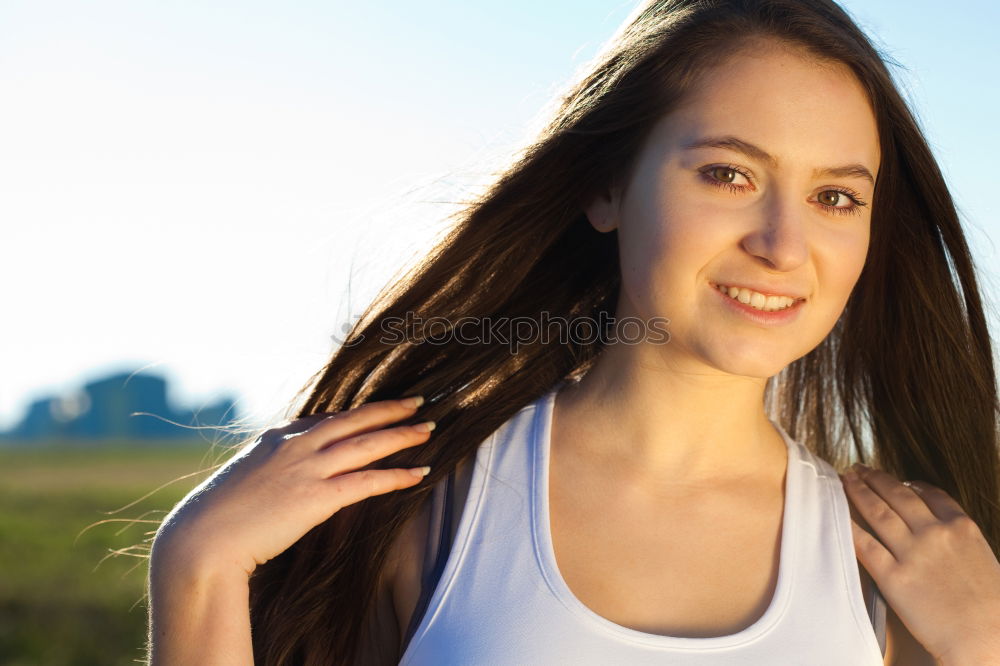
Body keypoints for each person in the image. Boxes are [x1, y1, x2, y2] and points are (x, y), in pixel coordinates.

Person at [145, 0, 1000, 664]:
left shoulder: (905, 573)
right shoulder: (419, 500)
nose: (782, 246)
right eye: (728, 175)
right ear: (606, 190)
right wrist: (199, 568)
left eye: (835, 198)